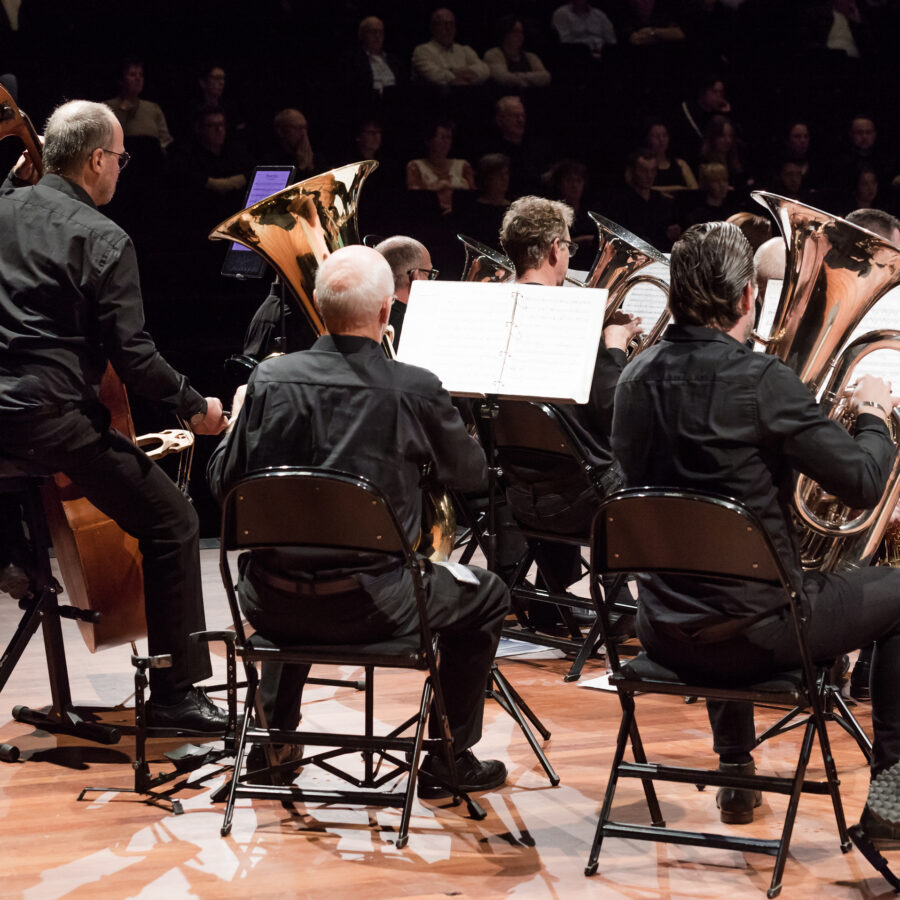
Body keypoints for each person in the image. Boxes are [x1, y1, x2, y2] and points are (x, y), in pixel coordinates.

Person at [611, 221, 900, 849]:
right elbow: (862, 483)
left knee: (717, 560)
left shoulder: (632, 380)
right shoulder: (761, 382)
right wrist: (874, 414)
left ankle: (736, 767)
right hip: (761, 636)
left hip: (662, 627)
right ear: (748, 300)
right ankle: (892, 803)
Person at [207, 245, 509, 796]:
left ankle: (274, 739)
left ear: (321, 309)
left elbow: (222, 485)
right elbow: (471, 475)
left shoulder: (270, 383)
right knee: (487, 593)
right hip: (372, 606)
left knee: (292, 553)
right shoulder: (414, 387)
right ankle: (447, 759)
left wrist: (238, 419)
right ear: (384, 314)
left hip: (271, 602)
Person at [0, 100, 229, 731]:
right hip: (47, 418)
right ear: (97, 158)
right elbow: (134, 358)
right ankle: (177, 694)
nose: (121, 170)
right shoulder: (103, 237)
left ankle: (12, 555)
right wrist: (195, 404)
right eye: (120, 158)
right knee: (173, 519)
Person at [497, 196, 641, 590]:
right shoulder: (574, 318)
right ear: (555, 248)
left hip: (519, 498)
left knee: (558, 454)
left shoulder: (491, 314)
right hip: (585, 503)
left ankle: (554, 592)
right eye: (569, 247)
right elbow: (615, 416)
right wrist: (615, 346)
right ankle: (621, 605)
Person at [374, 235, 436, 348]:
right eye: (429, 274)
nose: (430, 281)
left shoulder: (358, 314)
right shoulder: (419, 330)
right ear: (416, 277)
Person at [411, 8, 489, 90]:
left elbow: (485, 70)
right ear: (433, 28)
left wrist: (452, 72)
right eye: (444, 24)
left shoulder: (464, 49)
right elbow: (435, 77)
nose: (448, 28)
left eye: (451, 23)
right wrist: (466, 74)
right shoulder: (422, 51)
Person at [483, 16, 551, 91]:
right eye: (515, 31)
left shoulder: (530, 56)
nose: (520, 35)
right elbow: (503, 77)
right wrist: (529, 82)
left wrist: (518, 76)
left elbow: (546, 77)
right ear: (505, 33)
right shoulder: (493, 54)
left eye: (521, 32)